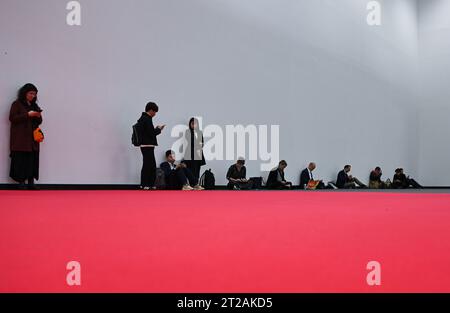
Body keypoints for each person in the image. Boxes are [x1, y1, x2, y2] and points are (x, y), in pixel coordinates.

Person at [9, 83, 43, 190]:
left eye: (35, 94)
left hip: (33, 139)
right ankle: (21, 182)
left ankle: (31, 182)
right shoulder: (17, 104)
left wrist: (37, 115)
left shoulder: (34, 106)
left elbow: (40, 121)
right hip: (21, 139)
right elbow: (12, 118)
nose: (33, 96)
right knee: (21, 159)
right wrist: (28, 115)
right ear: (24, 93)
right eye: (31, 93)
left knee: (32, 159)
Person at [137, 102, 165, 190]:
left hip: (145, 145)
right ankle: (147, 184)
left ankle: (146, 184)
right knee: (149, 165)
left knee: (148, 164)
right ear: (151, 110)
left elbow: (147, 132)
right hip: (147, 145)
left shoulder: (143, 118)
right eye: (155, 112)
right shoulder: (147, 119)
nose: (155, 114)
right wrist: (158, 129)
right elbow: (151, 133)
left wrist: (155, 129)